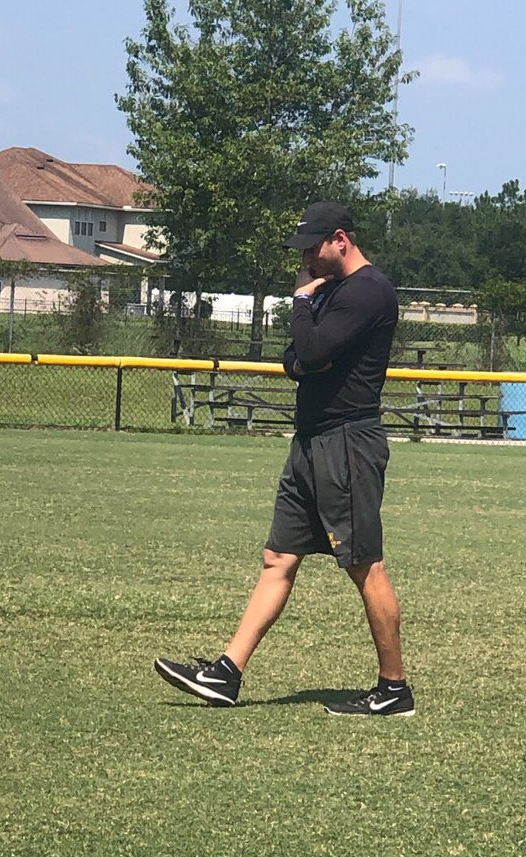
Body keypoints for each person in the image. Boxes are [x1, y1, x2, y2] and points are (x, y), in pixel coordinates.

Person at [155, 201, 414, 717]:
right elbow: (295, 359)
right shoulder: (332, 291)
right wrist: (307, 345)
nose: (305, 261)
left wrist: (300, 302)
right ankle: (227, 673)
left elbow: (311, 353)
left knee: (364, 564)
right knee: (278, 557)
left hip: (346, 442)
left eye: (311, 249)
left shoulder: (367, 291)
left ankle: (393, 689)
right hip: (310, 441)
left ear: (340, 238)